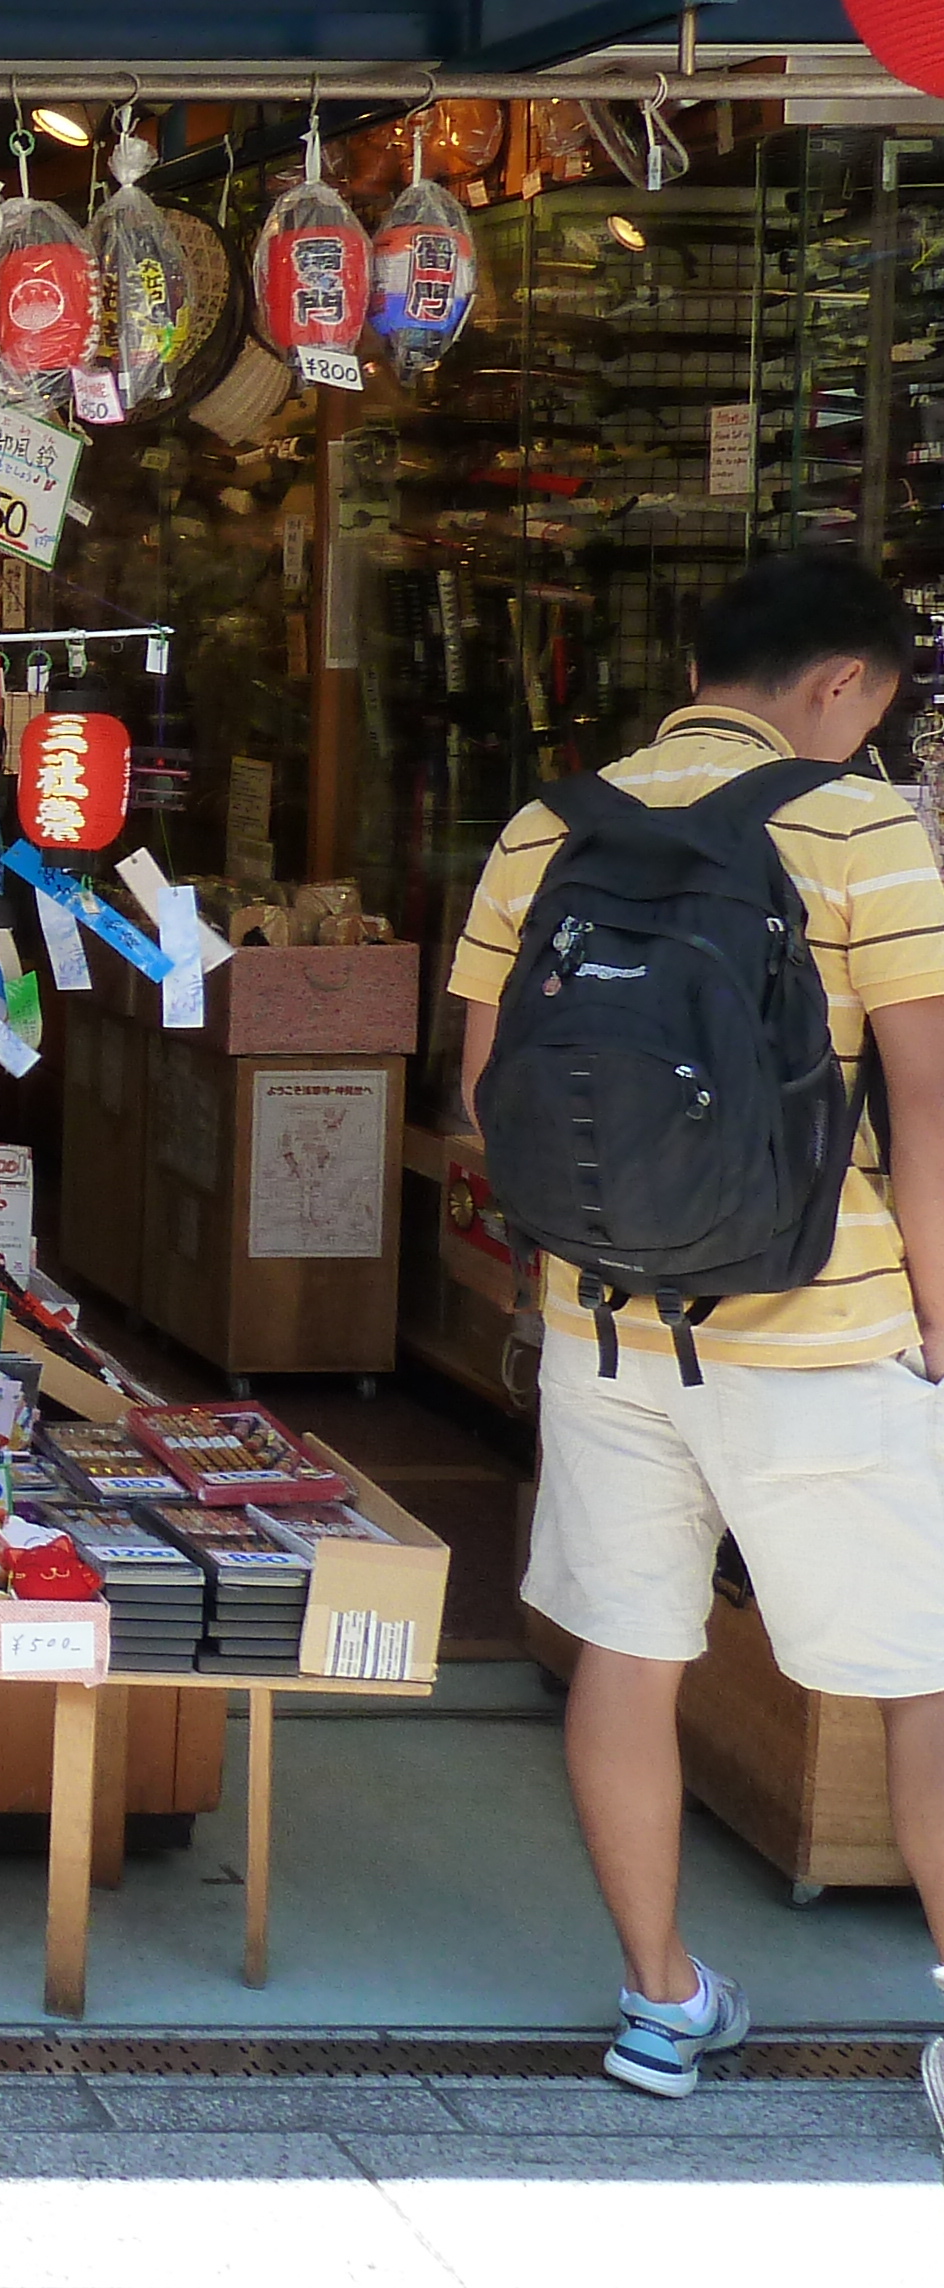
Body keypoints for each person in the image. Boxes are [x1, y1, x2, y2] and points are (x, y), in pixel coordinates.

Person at [449, 552, 944, 2120]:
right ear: (842, 685)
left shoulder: (552, 824)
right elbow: (929, 1108)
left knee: (629, 1652)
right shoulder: (864, 823)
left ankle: (662, 2002)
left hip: (606, 1326)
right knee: (924, 1680)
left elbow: (483, 1097)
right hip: (825, 1327)